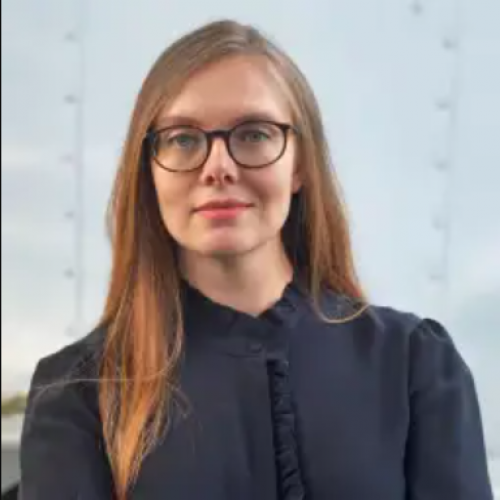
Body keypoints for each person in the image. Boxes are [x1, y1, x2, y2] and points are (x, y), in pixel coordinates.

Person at [19, 19, 493, 500]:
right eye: (183, 138)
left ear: (300, 164)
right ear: (149, 171)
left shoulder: (414, 365)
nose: (218, 168)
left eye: (253, 134)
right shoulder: (79, 392)